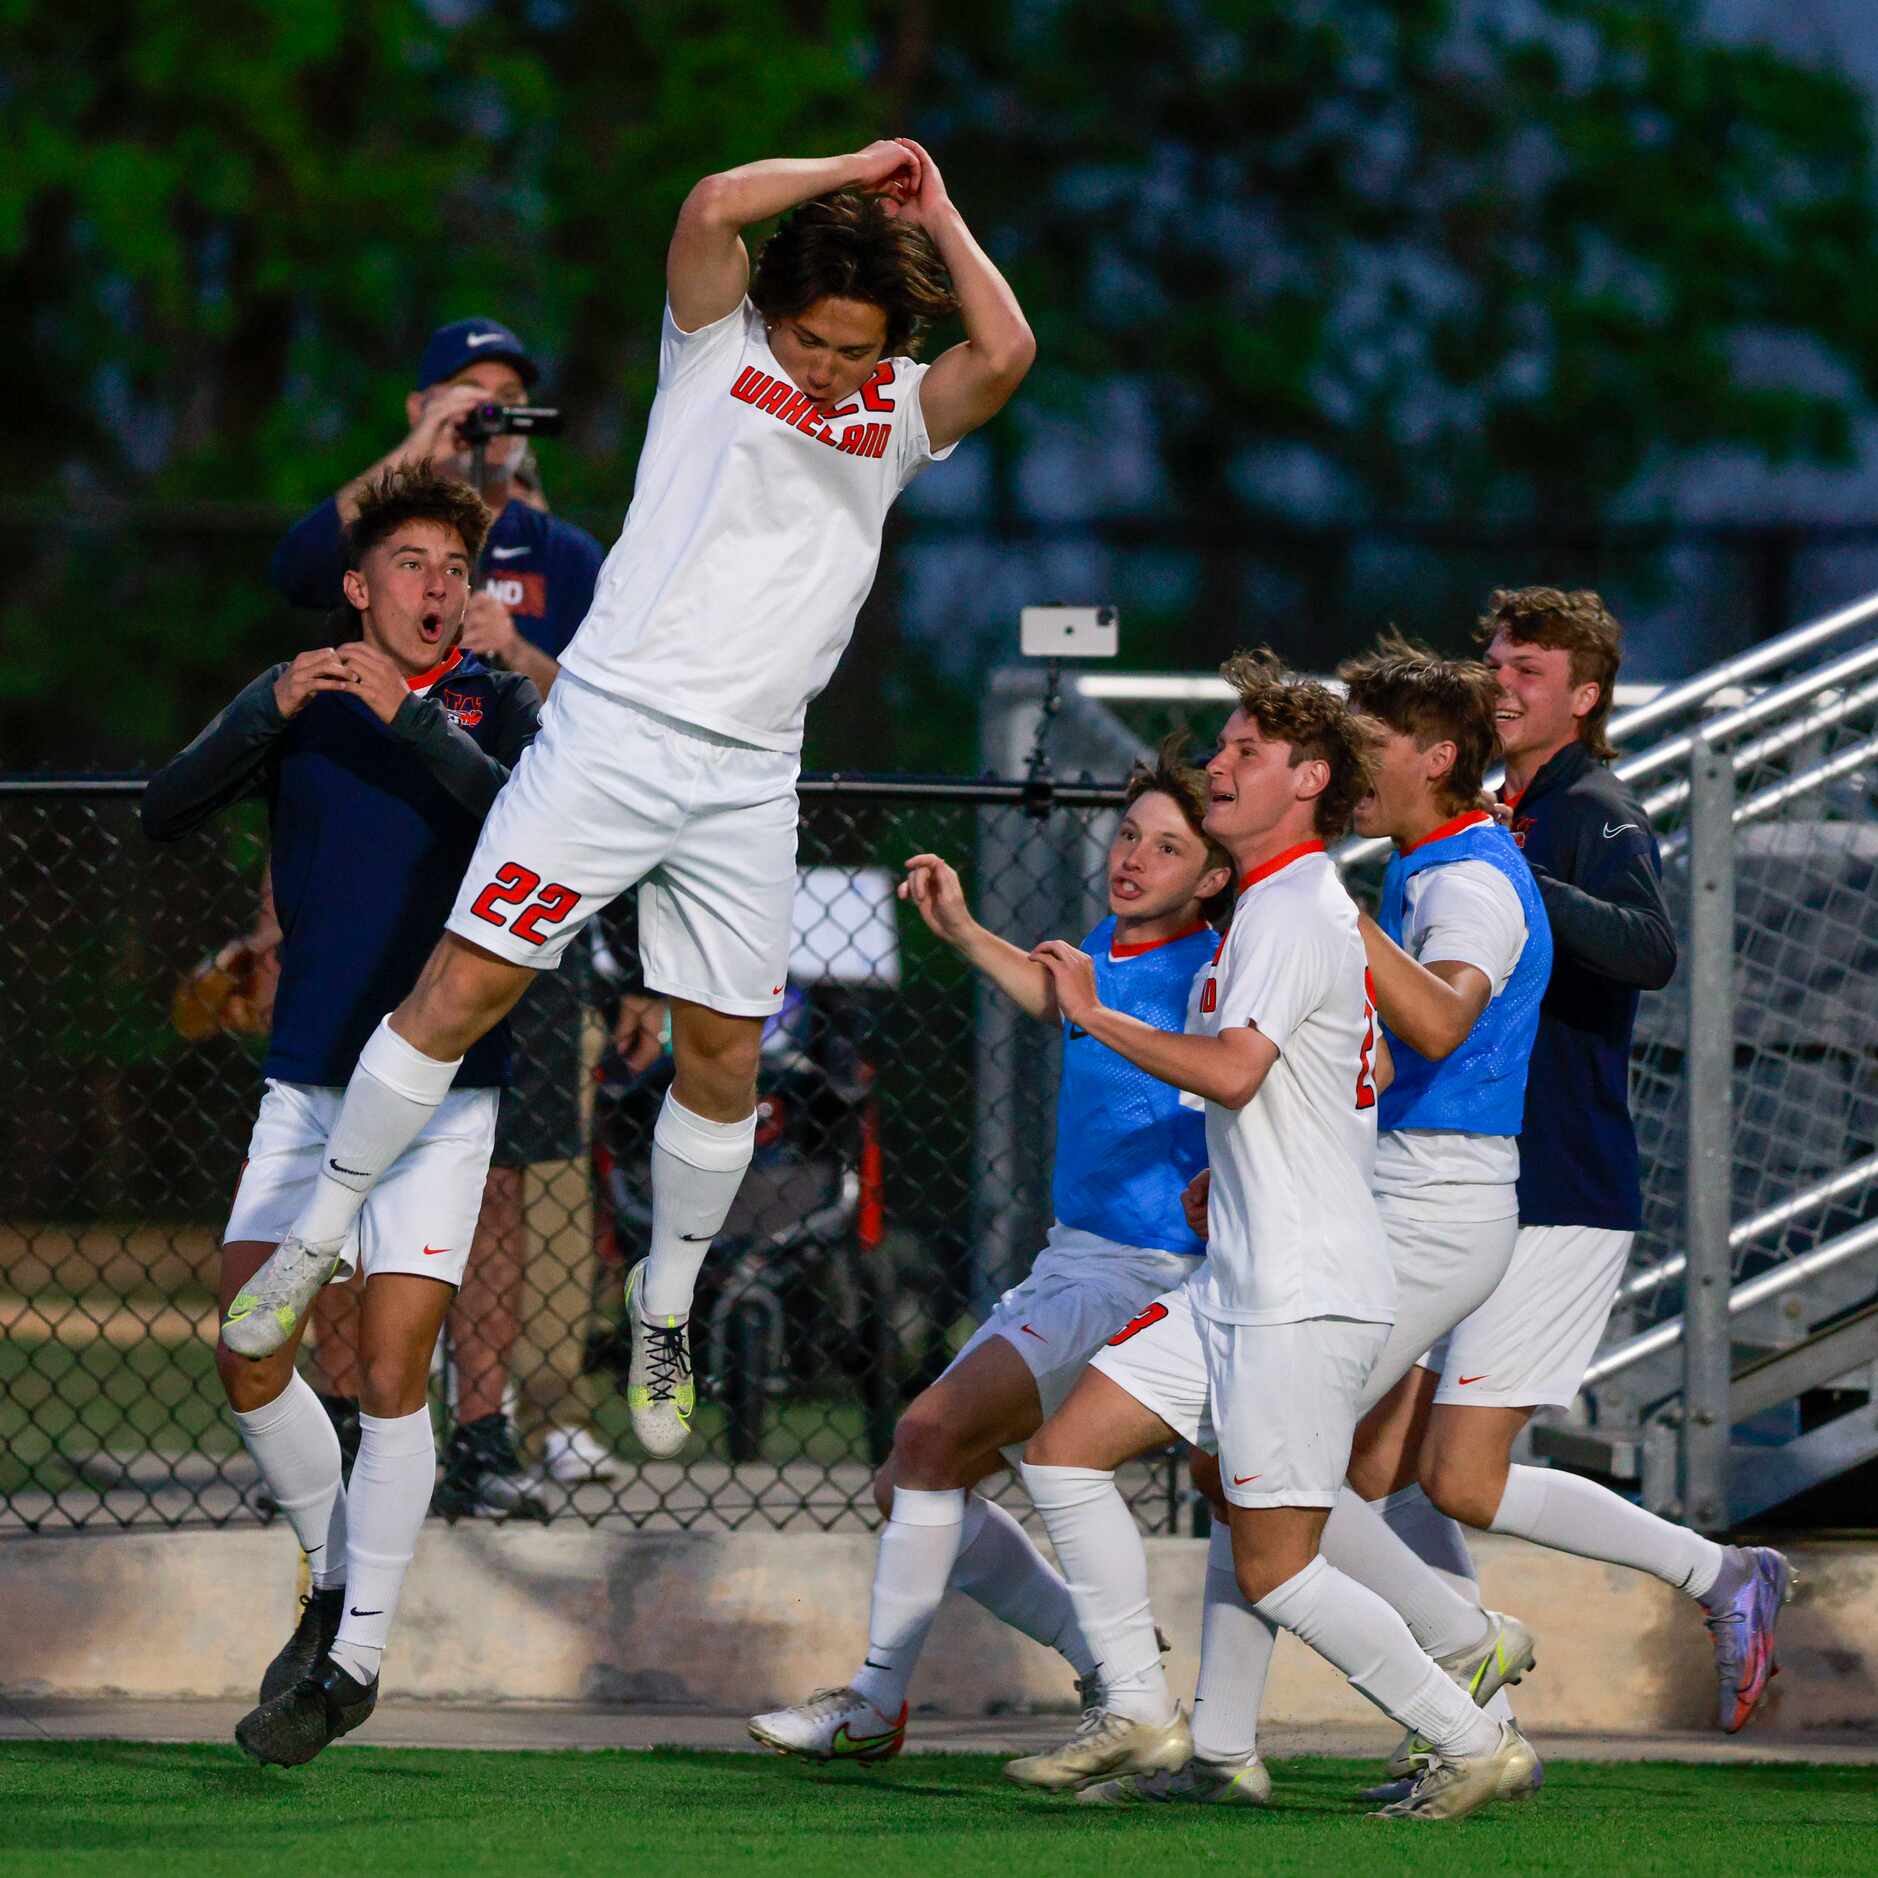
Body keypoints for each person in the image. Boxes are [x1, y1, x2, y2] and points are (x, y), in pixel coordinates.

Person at [222, 139, 1036, 1474]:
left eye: (851, 346)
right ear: (776, 314)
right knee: (454, 992)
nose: (827, 366)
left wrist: (937, 204)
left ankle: (664, 1301)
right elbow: (711, 204)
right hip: (607, 738)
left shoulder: (892, 412)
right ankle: (315, 1239)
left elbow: (1002, 354)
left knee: (722, 1058)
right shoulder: (715, 351)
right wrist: (849, 164)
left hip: (747, 775)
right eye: (813, 338)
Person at [1010, 651, 1541, 1824]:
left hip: (1299, 1292)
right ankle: (1140, 1710)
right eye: (1224, 748)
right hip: (1241, 1279)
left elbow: (1242, 1073)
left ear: (1309, 778)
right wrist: (1233, 1173)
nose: (1222, 767)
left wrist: (1097, 1017)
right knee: (1061, 1456)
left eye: (1247, 751)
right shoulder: (1281, 905)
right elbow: (1312, 1077)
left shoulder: (1297, 903)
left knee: (1278, 1567)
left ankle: (1467, 1730)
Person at [1337, 588, 1790, 1748]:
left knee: (1463, 1481)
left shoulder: (1593, 805)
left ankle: (1719, 1573)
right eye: (1493, 660)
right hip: (1457, 1182)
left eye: (1528, 669)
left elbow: (1649, 946)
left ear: (1584, 697)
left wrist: (1513, 879)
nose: (1502, 682)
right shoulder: (1502, 808)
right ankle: (1458, 1689)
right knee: (1357, 1465)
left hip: (1556, 1184)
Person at [144, 465, 539, 1766]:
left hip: (439, 1093)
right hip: (309, 1075)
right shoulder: (301, 700)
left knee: (388, 1364)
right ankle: (328, 1577)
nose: (438, 587)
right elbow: (166, 807)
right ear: (357, 589)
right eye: (411, 567)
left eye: (453, 569)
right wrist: (265, 700)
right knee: (249, 1350)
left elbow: (527, 829)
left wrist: (417, 717)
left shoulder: (489, 707)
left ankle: (354, 1656)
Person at [748, 744, 1232, 1762]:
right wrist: (966, 931)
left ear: (1216, 874)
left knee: (926, 1443)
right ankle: (1110, 1663)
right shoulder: (1120, 941)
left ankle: (877, 1706)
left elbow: (1238, 1083)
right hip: (1079, 1261)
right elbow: (1067, 1004)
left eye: (1168, 845)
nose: (1133, 856)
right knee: (909, 1480)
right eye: (1128, 833)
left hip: (1140, 1274)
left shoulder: (1214, 972)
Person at [271, 317, 604, 698]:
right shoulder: (384, 529)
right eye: (470, 392)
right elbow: (295, 573)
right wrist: (420, 447)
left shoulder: (566, 552)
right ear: (418, 408)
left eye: (510, 397)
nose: (492, 410)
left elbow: (596, 708)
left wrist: (513, 650)